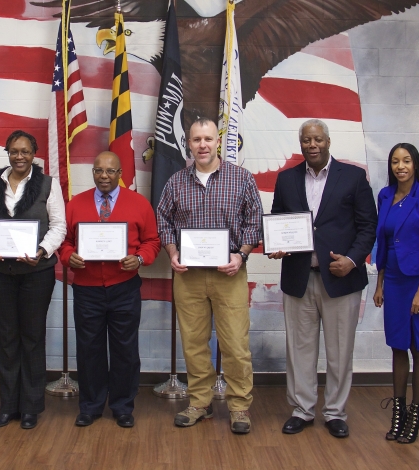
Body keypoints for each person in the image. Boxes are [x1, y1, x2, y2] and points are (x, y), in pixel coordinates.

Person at [270, 119, 377, 438]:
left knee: (340, 350)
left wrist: (353, 260)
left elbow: (368, 226)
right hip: (299, 277)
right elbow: (278, 219)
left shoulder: (354, 177)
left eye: (317, 139)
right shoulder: (286, 179)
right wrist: (278, 245)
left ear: (328, 141)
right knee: (299, 349)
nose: (312, 145)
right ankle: (302, 410)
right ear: (300, 144)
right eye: (306, 140)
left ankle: (335, 412)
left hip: (341, 279)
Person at [156, 117, 263, 435]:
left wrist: (241, 254)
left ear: (217, 140)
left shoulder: (241, 179)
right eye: (195, 140)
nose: (202, 145)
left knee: (235, 344)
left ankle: (239, 406)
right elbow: (162, 219)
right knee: (193, 343)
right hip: (188, 276)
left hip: (228, 275)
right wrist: (172, 252)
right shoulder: (176, 182)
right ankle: (200, 403)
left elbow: (254, 221)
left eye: (207, 139)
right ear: (188, 144)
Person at [59, 151, 161, 428]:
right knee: (89, 349)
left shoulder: (139, 204)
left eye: (110, 171)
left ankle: (122, 406)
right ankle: (90, 406)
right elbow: (64, 241)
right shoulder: (75, 204)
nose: (104, 176)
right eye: (98, 170)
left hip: (124, 287)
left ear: (120, 174)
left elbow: (152, 241)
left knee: (125, 350)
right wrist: (69, 257)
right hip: (86, 289)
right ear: (93, 172)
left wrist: (139, 259)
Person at [0, 130, 66, 430]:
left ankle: (30, 407)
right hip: (1, 274)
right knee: (7, 339)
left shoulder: (48, 186)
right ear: (7, 152)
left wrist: (41, 251)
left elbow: (58, 226)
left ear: (34, 153)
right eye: (14, 151)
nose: (19, 156)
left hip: (36, 274)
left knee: (32, 338)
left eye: (25, 151)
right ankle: (8, 407)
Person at [373, 143, 419, 444]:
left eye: (406, 161)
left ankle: (415, 413)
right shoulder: (385, 196)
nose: (400, 166)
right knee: (397, 347)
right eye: (395, 161)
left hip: (417, 283)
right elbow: (384, 245)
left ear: (416, 164)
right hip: (395, 283)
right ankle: (398, 412)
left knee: (418, 348)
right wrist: (380, 283)